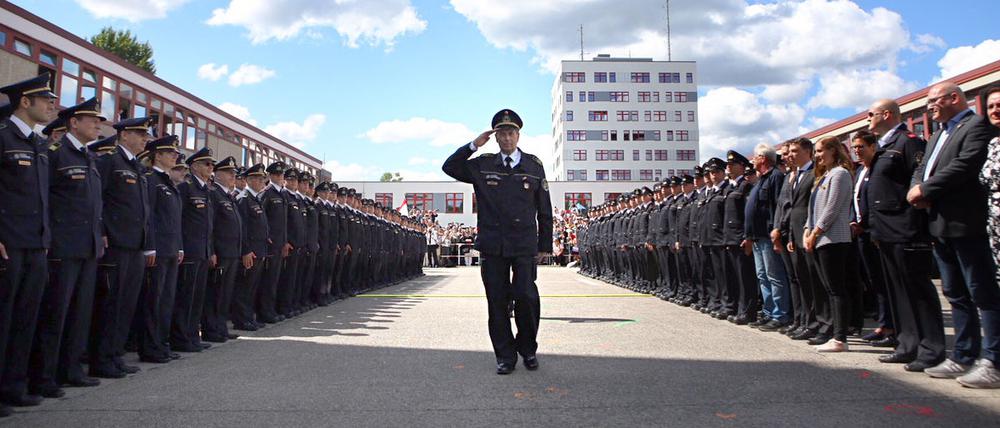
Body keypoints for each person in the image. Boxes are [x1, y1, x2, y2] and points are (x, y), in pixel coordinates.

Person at [442, 109, 553, 375]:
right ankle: (505, 356)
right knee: (497, 301)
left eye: (511, 132)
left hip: (524, 244)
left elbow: (545, 209)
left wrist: (545, 246)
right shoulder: (483, 164)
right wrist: (473, 145)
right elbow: (450, 167)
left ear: (518, 135)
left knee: (526, 297)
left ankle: (528, 349)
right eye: (501, 133)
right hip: (493, 245)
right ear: (495, 136)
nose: (507, 138)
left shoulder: (533, 166)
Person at [909, 82, 1000, 387]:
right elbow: (923, 168)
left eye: (934, 100)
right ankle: (963, 354)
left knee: (982, 292)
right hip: (939, 223)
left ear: (954, 98)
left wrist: (926, 190)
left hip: (966, 223)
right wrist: (916, 188)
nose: (929, 107)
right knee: (955, 293)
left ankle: (993, 359)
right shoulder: (937, 134)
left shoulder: (976, 126)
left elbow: (964, 165)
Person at [28, 98, 105, 399]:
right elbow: (43, 199)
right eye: (92, 120)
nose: (98, 125)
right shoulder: (56, 154)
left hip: (87, 247)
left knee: (79, 313)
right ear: (74, 123)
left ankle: (71, 369)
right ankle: (44, 376)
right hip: (63, 246)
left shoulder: (88, 157)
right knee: (55, 314)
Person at [0, 74, 56, 413]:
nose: (52, 106)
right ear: (25, 101)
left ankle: (14, 386)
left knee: (25, 318)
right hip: (9, 242)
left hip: (35, 243)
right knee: (4, 317)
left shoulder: (39, 143)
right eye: (46, 100)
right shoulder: (4, 136)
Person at [90, 116, 153, 379]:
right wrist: (102, 231)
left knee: (126, 303)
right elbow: (97, 199)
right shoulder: (109, 161)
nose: (145, 139)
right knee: (110, 304)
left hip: (135, 245)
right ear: (124, 135)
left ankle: (115, 355)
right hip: (116, 244)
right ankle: (101, 359)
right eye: (140, 134)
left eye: (146, 135)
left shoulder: (136, 166)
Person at [804, 137, 855, 352]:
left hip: (833, 239)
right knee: (828, 288)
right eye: (815, 152)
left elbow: (832, 208)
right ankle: (832, 332)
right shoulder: (824, 176)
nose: (817, 156)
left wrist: (816, 232)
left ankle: (840, 337)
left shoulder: (840, 174)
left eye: (820, 151)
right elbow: (813, 209)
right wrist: (807, 230)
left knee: (836, 289)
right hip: (819, 239)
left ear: (834, 151)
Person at [135, 135, 183, 364]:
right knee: (153, 300)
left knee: (166, 300)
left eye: (175, 153)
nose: (175, 156)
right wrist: (150, 247)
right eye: (170, 153)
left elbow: (175, 220)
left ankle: (162, 344)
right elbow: (149, 217)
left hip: (171, 249)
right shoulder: (151, 180)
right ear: (157, 155)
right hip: (158, 250)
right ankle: (150, 347)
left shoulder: (168, 182)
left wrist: (179, 246)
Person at [848, 130, 893, 348]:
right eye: (855, 147)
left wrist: (868, 225)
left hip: (875, 232)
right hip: (860, 233)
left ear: (873, 147)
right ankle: (883, 324)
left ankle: (890, 326)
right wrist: (852, 221)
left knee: (884, 281)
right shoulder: (859, 171)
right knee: (875, 280)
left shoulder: (876, 169)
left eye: (861, 147)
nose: (857, 151)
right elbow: (855, 200)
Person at [171, 147, 215, 353]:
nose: (211, 167)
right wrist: (180, 247)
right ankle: (180, 338)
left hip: (202, 251)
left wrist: (210, 250)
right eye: (207, 164)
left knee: (197, 297)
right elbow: (178, 221)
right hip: (189, 250)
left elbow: (208, 225)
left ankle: (191, 336)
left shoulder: (205, 190)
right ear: (195, 166)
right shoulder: (186, 188)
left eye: (212, 164)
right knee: (186, 297)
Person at [744, 143, 790, 332]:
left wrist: (777, 230)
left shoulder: (776, 177)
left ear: (763, 158)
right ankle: (769, 312)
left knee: (775, 276)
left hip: (768, 235)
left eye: (755, 157)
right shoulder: (761, 180)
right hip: (757, 236)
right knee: (763, 276)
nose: (753, 160)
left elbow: (778, 206)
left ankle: (780, 314)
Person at [202, 156, 242, 343]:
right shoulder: (213, 193)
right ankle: (211, 329)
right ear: (217, 174)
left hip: (232, 252)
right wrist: (212, 250)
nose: (233, 176)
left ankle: (221, 328)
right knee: (215, 293)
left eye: (234, 173)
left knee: (225, 293)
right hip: (220, 252)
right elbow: (210, 226)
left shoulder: (228, 195)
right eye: (228, 172)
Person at [231, 164, 269, 331]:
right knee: (244, 287)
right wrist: (246, 250)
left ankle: (248, 318)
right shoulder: (244, 199)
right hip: (250, 251)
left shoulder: (256, 199)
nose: (262, 182)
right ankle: (241, 320)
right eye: (258, 179)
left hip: (259, 249)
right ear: (249, 180)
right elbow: (242, 228)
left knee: (252, 287)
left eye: (262, 179)